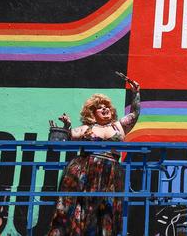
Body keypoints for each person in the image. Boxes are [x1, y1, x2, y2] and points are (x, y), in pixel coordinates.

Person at [47, 77, 140, 236]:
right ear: (92, 113)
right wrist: (66, 126)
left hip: (110, 173)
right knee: (81, 208)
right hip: (86, 171)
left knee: (107, 210)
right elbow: (68, 137)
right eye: (100, 108)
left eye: (107, 107)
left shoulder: (118, 126)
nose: (105, 109)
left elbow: (135, 113)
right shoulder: (86, 128)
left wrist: (136, 93)